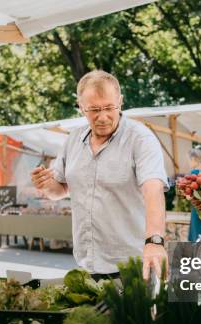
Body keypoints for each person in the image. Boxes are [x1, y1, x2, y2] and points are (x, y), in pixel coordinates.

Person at [31, 70, 169, 280]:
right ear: (81, 108)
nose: (103, 117)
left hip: (132, 266)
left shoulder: (140, 139)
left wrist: (155, 241)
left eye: (109, 108)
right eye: (94, 109)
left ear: (120, 102)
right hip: (86, 265)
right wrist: (46, 185)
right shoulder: (73, 140)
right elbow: (59, 190)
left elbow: (154, 191)